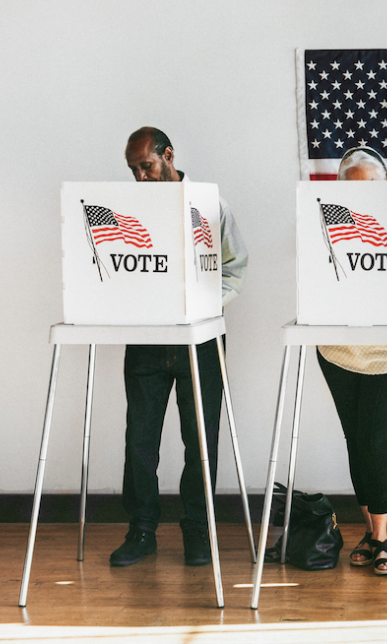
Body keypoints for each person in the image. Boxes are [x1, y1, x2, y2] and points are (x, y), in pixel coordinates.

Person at [110, 127, 248, 567]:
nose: (141, 177)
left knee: (201, 440)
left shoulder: (209, 205)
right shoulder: (129, 209)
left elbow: (235, 267)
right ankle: (142, 529)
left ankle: (198, 530)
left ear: (168, 155)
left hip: (200, 337)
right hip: (148, 337)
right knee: (140, 439)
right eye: (133, 170)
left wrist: (205, 306)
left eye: (146, 166)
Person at [317, 146, 387, 576]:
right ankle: (369, 532)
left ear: (386, 186)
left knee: (376, 439)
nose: (364, 195)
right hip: (337, 350)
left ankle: (382, 538)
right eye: (353, 188)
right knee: (355, 439)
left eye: (371, 186)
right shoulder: (324, 227)